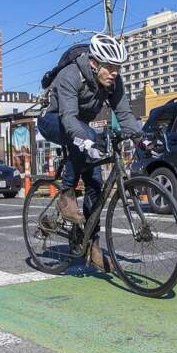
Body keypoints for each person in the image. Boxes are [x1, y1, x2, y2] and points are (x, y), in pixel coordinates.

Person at [37, 33, 142, 270]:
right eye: (109, 67)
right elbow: (69, 118)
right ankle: (66, 194)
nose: (114, 72)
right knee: (86, 135)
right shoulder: (70, 75)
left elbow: (124, 115)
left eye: (117, 67)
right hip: (54, 119)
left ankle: (91, 243)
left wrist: (140, 138)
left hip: (79, 126)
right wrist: (85, 140)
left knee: (95, 184)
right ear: (94, 63)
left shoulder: (114, 82)